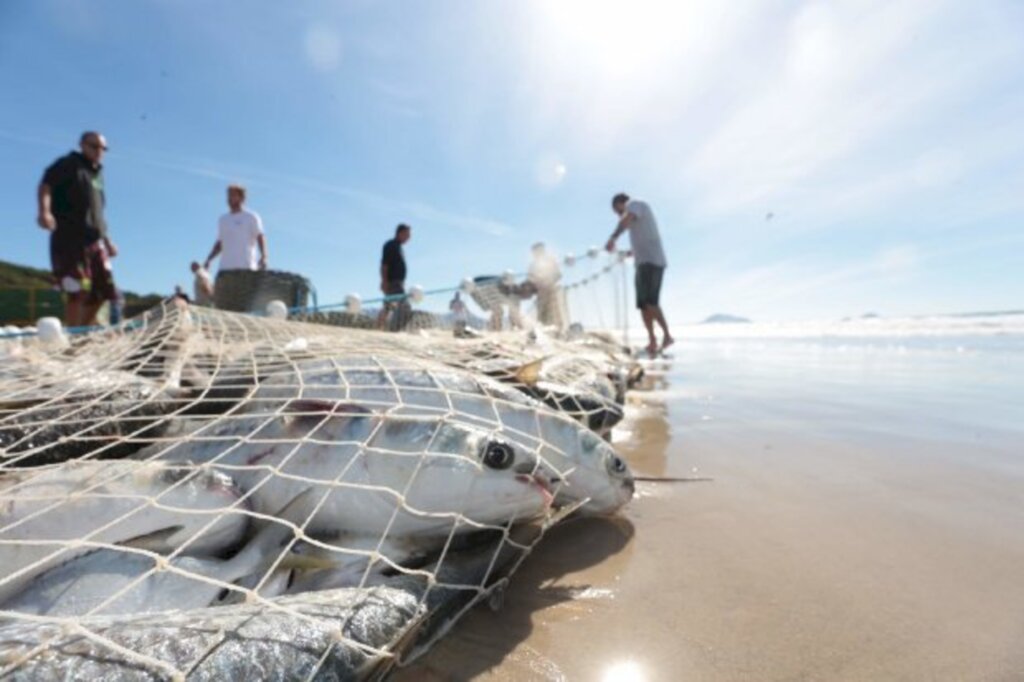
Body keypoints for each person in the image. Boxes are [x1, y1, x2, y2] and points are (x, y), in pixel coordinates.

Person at [36, 131, 121, 327]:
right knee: (76, 290)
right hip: (70, 238)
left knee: (106, 290)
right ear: (82, 145)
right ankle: (74, 337)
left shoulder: (97, 175)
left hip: (95, 240)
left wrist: (107, 240)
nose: (99, 151)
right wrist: (44, 211)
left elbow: (98, 212)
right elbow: (46, 185)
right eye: (94, 146)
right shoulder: (68, 164)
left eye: (103, 148)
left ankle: (80, 333)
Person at [606, 192, 674, 356]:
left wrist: (613, 238)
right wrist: (629, 253)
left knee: (651, 302)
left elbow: (626, 219)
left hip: (652, 262)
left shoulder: (635, 204)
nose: (618, 215)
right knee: (643, 305)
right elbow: (642, 240)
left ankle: (667, 336)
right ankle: (652, 340)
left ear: (621, 203)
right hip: (642, 263)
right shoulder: (635, 221)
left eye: (617, 210)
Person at [203, 184, 267, 276]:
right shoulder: (223, 219)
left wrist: (264, 256)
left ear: (242, 198)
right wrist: (209, 259)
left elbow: (260, 236)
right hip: (225, 270)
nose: (229, 198)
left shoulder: (251, 217)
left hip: (246, 268)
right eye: (228, 195)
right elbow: (220, 243)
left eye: (233, 195)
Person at [377, 223, 412, 331]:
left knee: (387, 307)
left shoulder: (399, 247)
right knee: (405, 307)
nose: (409, 238)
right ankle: (393, 330)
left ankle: (378, 328)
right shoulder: (390, 245)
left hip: (397, 283)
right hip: (393, 282)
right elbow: (384, 264)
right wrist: (384, 281)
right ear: (400, 233)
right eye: (407, 234)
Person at [527, 242, 565, 329]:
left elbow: (558, 275)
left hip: (552, 291)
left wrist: (549, 281)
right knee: (542, 313)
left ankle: (559, 329)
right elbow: (530, 280)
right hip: (540, 292)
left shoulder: (551, 261)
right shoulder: (532, 265)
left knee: (555, 311)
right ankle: (543, 330)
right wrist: (537, 284)